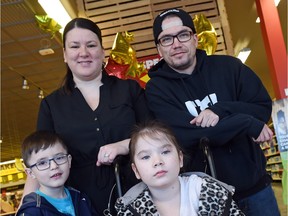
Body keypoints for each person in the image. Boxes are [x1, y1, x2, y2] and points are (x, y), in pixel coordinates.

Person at [145, 8, 280, 216]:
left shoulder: (230, 67)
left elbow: (261, 107)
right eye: (166, 39)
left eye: (183, 35)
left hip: (256, 189)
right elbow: (182, 136)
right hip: (203, 198)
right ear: (159, 49)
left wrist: (220, 110)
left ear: (195, 39)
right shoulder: (156, 89)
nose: (176, 44)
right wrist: (244, 122)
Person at [20, 18, 152, 215]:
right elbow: (40, 159)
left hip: (141, 195)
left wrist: (124, 145)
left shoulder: (129, 90)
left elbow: (156, 136)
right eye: (74, 46)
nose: (84, 53)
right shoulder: (51, 105)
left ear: (102, 50)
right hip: (83, 205)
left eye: (91, 45)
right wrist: (25, 205)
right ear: (65, 54)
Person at [115, 121, 244, 215]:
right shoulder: (129, 209)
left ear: (180, 158)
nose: (157, 161)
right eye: (145, 157)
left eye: (165, 152)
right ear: (136, 170)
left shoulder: (207, 190)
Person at [17, 131, 96, 215]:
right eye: (42, 163)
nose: (54, 166)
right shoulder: (32, 211)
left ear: (69, 161)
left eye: (59, 158)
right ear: (30, 173)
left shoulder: (81, 198)